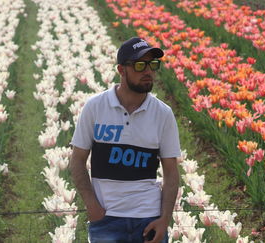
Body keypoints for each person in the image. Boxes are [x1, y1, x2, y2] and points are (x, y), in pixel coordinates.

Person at [69, 37, 181, 243]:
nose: (148, 71)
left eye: (153, 65)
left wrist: (165, 218)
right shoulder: (95, 107)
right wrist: (92, 206)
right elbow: (77, 160)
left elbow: (171, 172)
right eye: (140, 65)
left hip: (149, 219)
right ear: (122, 70)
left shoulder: (163, 113)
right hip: (106, 219)